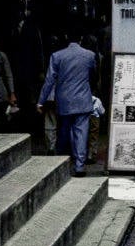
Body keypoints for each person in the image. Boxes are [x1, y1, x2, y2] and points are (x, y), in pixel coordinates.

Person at [37, 32, 98, 176]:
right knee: (81, 132)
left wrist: (41, 101)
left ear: (65, 37)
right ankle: (79, 166)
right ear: (81, 38)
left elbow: (49, 80)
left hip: (64, 101)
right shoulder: (90, 55)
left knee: (65, 130)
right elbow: (94, 76)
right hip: (83, 99)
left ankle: (64, 161)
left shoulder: (57, 56)